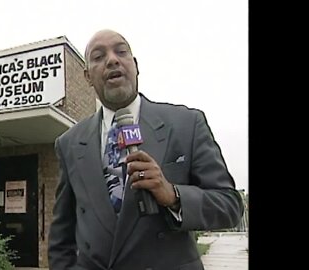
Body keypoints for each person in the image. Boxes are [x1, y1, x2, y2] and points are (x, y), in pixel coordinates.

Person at [47, 29, 244, 270]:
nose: (112, 60)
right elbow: (61, 235)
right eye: (98, 57)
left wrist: (173, 195)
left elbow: (229, 206)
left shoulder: (186, 124)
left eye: (121, 52)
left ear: (135, 65)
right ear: (87, 77)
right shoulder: (69, 143)